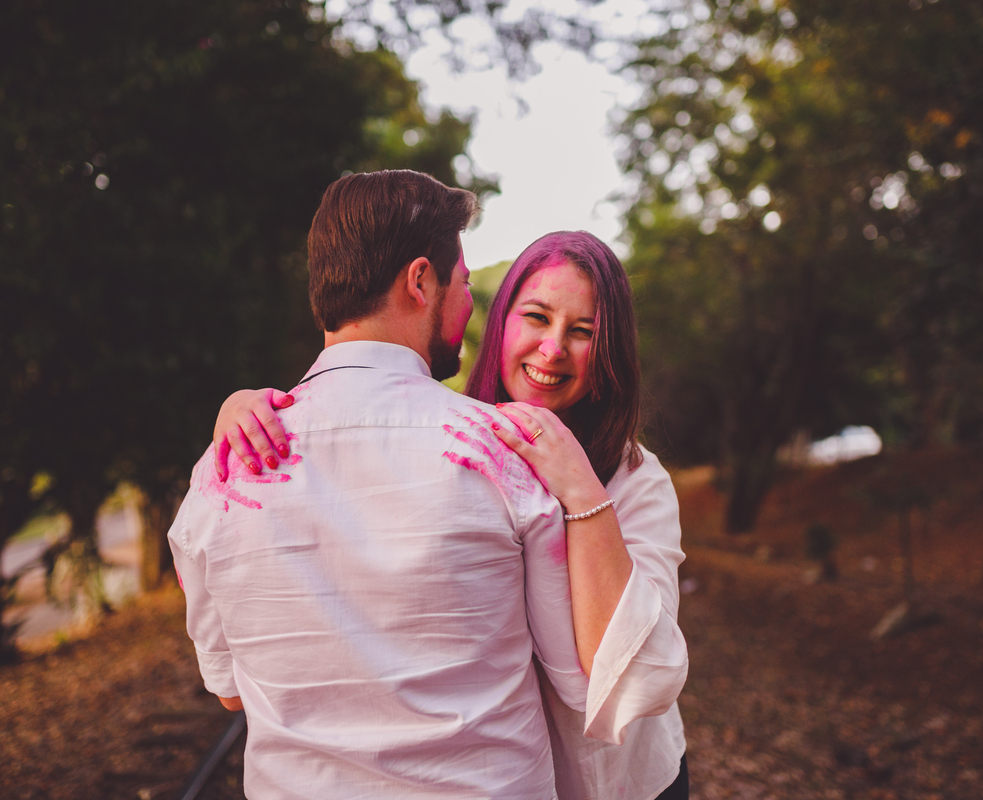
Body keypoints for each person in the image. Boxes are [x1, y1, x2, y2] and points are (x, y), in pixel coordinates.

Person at [216, 231, 690, 800]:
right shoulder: (452, 437)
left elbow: (634, 668)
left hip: (614, 781)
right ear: (501, 320)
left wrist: (580, 487)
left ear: (609, 352)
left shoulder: (637, 480)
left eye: (583, 331)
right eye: (536, 317)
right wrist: (245, 410)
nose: (552, 348)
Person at [170, 170, 597, 800]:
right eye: (463, 284)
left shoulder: (222, 472)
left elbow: (230, 691)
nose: (469, 306)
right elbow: (576, 677)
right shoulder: (503, 454)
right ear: (420, 281)